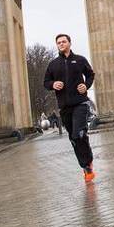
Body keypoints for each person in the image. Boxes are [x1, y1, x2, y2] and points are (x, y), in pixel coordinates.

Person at [43, 33, 96, 182]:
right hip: (64, 107)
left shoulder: (79, 60)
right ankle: (85, 164)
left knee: (79, 133)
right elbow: (46, 82)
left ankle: (87, 164)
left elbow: (91, 75)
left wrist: (86, 85)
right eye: (58, 42)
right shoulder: (53, 64)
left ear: (69, 43)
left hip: (80, 103)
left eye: (63, 41)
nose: (61, 44)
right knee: (73, 138)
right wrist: (53, 84)